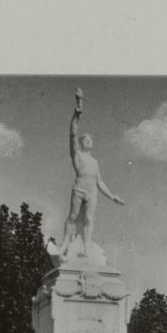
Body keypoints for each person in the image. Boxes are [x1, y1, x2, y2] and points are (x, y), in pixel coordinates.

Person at [54, 88, 125, 259]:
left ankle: (86, 248)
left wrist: (112, 196)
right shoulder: (77, 155)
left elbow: (100, 182)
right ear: (81, 143)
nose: (89, 141)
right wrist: (78, 108)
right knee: (72, 216)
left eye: (91, 140)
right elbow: (73, 132)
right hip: (79, 189)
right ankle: (64, 243)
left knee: (89, 220)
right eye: (86, 139)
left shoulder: (95, 162)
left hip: (92, 192)